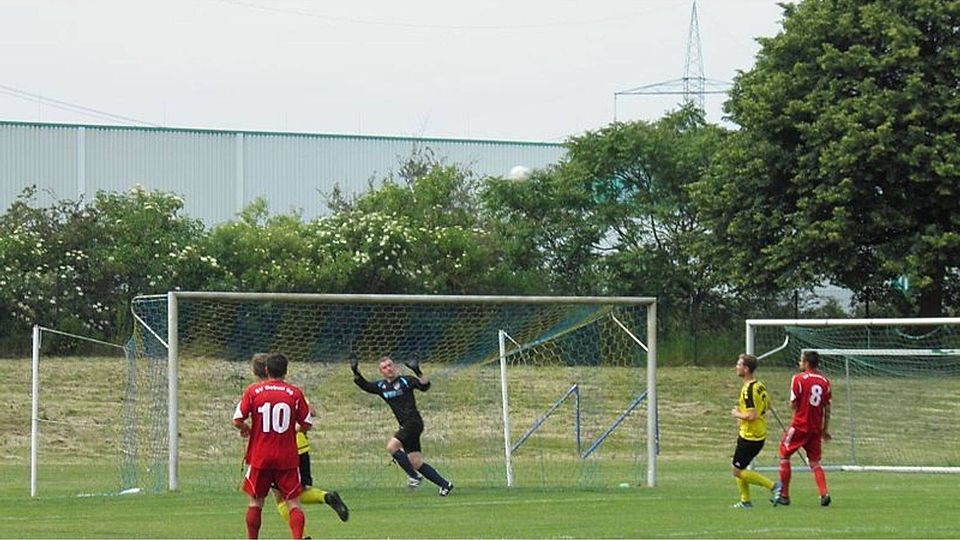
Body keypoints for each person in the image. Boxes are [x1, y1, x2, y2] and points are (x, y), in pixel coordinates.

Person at [249, 354, 350, 530]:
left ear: (258, 372)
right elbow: (311, 413)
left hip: (278, 449)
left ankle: (304, 533)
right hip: (301, 446)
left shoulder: (258, 392)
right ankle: (326, 497)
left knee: (283, 499)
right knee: (296, 491)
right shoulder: (291, 391)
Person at [234, 352, 312, 539]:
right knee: (293, 502)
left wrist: (245, 428)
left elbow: (237, 419)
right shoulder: (295, 393)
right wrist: (294, 430)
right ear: (285, 371)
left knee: (256, 502)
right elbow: (307, 423)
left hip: (260, 456)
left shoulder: (253, 391)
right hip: (287, 457)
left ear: (266, 370)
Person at [351, 353, 454, 496]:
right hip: (405, 425)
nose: (388, 369)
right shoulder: (381, 386)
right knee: (415, 462)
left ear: (394, 366)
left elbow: (425, 386)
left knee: (392, 446)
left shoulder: (406, 381)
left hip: (413, 422)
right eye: (384, 367)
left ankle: (414, 477)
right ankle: (445, 484)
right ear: (381, 372)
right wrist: (355, 371)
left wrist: (417, 371)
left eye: (390, 365)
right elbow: (365, 385)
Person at [772, 350, 832, 507]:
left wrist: (795, 405)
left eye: (800, 361)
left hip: (799, 426)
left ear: (806, 363)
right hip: (815, 428)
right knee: (815, 462)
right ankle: (824, 493)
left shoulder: (798, 379)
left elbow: (793, 404)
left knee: (784, 455)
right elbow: (827, 408)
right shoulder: (825, 381)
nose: (799, 363)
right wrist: (824, 429)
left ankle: (784, 495)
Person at [729, 353, 782, 509]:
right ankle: (745, 501)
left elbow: (751, 416)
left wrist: (737, 414)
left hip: (750, 436)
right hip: (757, 433)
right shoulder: (759, 385)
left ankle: (774, 486)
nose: (736, 367)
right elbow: (767, 406)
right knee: (739, 467)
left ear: (746, 369)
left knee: (736, 471)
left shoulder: (748, 389)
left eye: (739, 364)